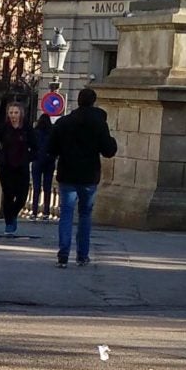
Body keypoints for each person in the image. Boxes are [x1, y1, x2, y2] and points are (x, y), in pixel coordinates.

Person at [52, 86, 119, 267]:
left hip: (67, 174)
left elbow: (52, 148)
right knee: (85, 215)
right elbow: (108, 150)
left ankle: (63, 254)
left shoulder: (64, 122)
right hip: (89, 175)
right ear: (93, 101)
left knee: (66, 214)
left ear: (78, 101)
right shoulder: (99, 123)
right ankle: (82, 255)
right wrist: (111, 141)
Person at [0, 102, 34, 237]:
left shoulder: (27, 128)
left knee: (22, 197)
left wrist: (29, 157)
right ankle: (9, 223)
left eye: (16, 112)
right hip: (6, 166)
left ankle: (13, 215)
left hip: (22, 166)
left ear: (21, 113)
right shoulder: (4, 128)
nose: (13, 115)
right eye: (11, 113)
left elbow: (36, 146)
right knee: (8, 195)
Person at [30, 106, 58, 220]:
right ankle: (46, 212)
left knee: (36, 187)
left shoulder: (35, 132)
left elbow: (31, 146)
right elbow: (56, 148)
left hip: (37, 161)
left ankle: (34, 211)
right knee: (47, 187)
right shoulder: (52, 133)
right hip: (49, 162)